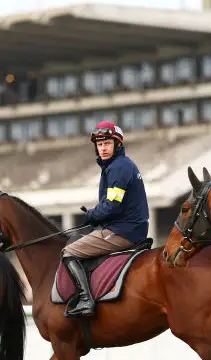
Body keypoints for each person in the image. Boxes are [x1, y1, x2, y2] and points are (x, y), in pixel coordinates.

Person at [62, 121, 149, 318]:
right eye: (99, 144)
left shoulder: (118, 167)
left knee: (69, 252)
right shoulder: (117, 165)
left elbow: (112, 205)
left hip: (123, 231)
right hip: (127, 227)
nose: (103, 148)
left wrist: (91, 214)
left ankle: (85, 299)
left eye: (107, 144)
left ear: (117, 145)